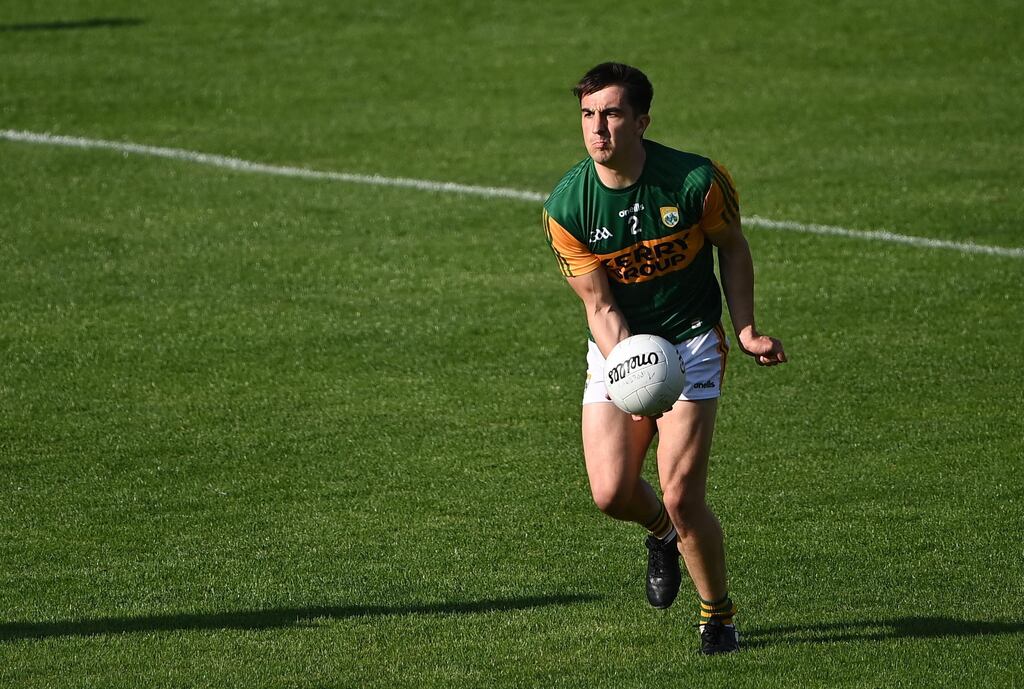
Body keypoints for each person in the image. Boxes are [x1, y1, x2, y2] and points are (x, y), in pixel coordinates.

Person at [542, 62, 786, 655]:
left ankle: (719, 615)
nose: (597, 128)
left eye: (612, 114)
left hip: (692, 340)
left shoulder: (696, 181)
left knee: (681, 493)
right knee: (611, 494)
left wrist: (746, 327)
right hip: (620, 347)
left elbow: (732, 246)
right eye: (588, 115)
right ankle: (660, 535)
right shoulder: (567, 209)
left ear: (642, 121)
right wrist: (631, 367)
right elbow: (600, 308)